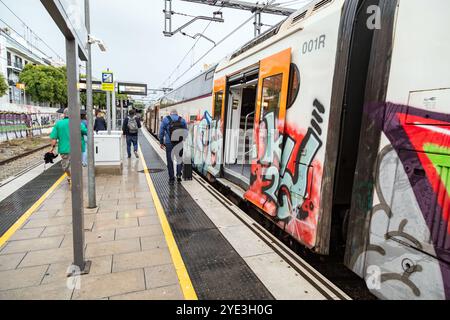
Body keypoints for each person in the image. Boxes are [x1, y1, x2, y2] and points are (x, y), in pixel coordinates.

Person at [49, 108, 88, 185]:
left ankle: (70, 176)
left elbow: (53, 138)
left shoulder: (58, 124)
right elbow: (87, 132)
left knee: (65, 166)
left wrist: (52, 148)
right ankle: (76, 178)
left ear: (64, 114)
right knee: (76, 164)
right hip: (77, 148)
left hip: (64, 149)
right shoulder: (78, 123)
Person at [159, 109, 188, 184]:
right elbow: (186, 132)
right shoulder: (182, 120)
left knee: (170, 161)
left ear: (170, 113)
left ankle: (171, 179)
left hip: (169, 143)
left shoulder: (166, 119)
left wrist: (161, 142)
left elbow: (161, 132)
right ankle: (178, 175)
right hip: (179, 142)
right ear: (177, 113)